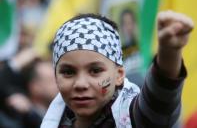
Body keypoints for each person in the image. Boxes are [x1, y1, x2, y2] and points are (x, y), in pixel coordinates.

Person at [41, 10, 194, 128]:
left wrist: (169, 51)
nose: (81, 84)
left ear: (119, 75)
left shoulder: (133, 118)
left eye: (95, 71)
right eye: (68, 72)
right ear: (55, 76)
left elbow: (159, 103)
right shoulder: (54, 120)